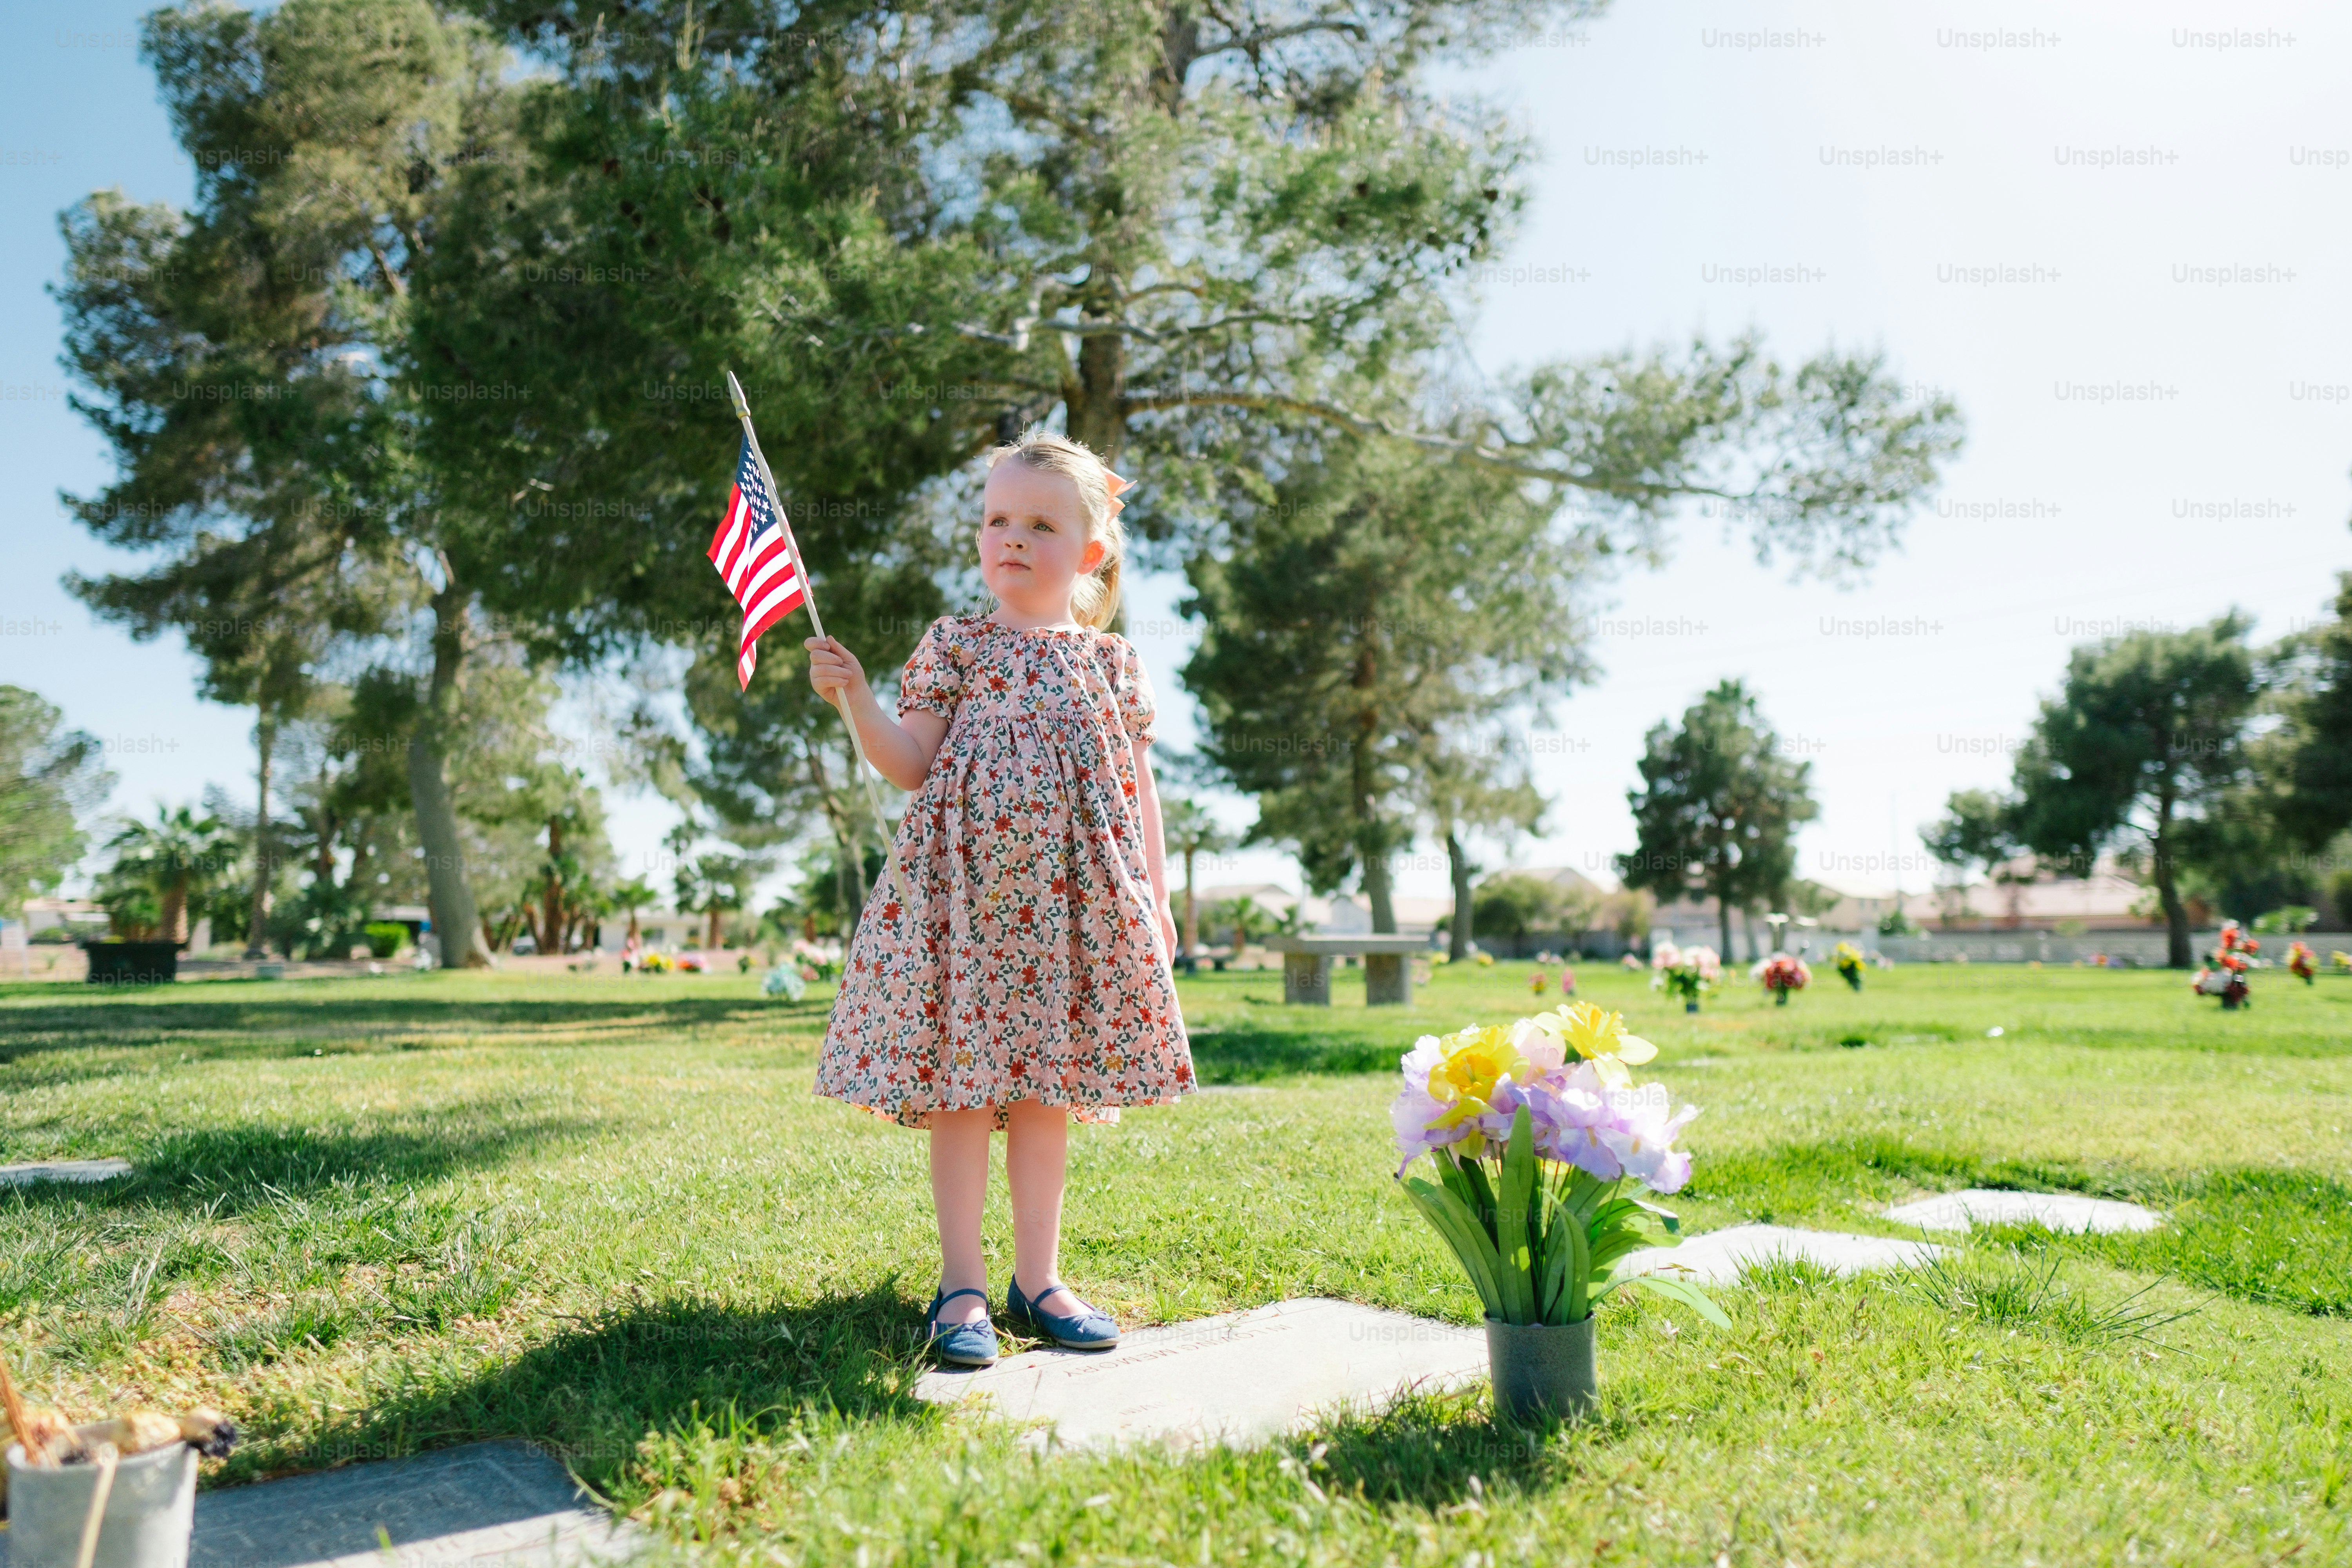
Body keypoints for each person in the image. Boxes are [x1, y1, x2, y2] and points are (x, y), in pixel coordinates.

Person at [806, 428, 1192, 1368]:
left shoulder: (1111, 663)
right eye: (996, 520)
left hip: (1071, 909)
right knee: (966, 1093)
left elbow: (1138, 788)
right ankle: (962, 1284)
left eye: (1040, 524)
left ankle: (1040, 1276)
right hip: (965, 909)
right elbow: (910, 763)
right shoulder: (958, 644)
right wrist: (858, 700)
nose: (1011, 538)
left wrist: (1157, 893)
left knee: (1048, 1089)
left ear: (1090, 553)